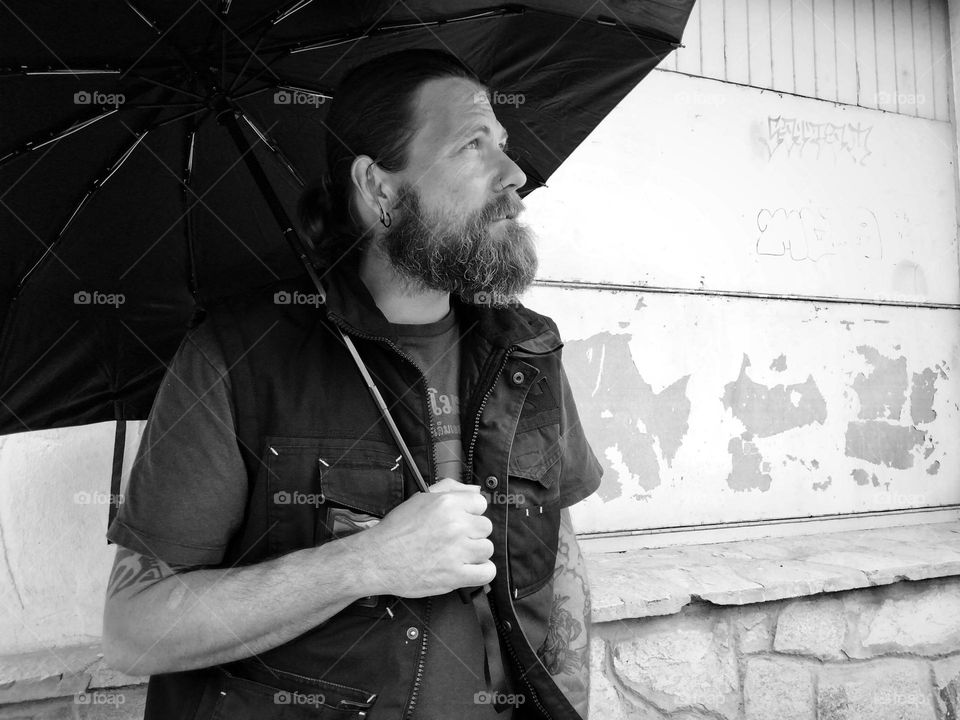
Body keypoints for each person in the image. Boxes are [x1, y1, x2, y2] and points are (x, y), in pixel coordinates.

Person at [102, 48, 603, 720]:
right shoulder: (236, 356)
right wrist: (366, 563)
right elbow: (134, 629)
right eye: (472, 146)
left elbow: (560, 571)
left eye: (504, 146)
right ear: (379, 188)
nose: (514, 174)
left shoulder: (527, 349)